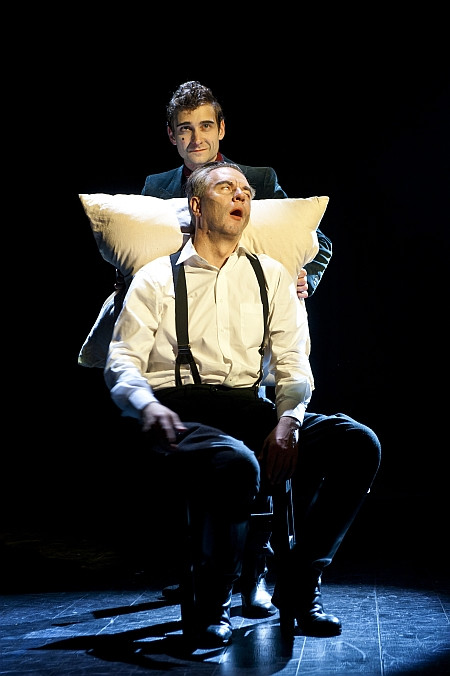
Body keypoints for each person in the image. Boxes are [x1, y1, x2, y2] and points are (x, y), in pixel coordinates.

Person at [104, 161, 381, 648]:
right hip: (179, 412)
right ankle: (213, 603)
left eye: (247, 190)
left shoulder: (270, 276)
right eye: (227, 187)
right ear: (195, 205)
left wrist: (289, 420)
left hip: (249, 407)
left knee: (358, 443)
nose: (241, 196)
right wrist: (146, 406)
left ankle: (299, 582)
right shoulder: (156, 278)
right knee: (237, 463)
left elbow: (293, 361)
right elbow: (122, 361)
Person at [136, 80, 333, 617]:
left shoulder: (256, 181)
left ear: (221, 129)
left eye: (206, 126)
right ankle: (205, 567)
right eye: (185, 129)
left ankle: (257, 571)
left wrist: (304, 276)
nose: (196, 138)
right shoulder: (157, 186)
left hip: (250, 331)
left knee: (262, 444)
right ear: (172, 136)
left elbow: (313, 239)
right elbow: (138, 245)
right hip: (183, 337)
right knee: (208, 458)